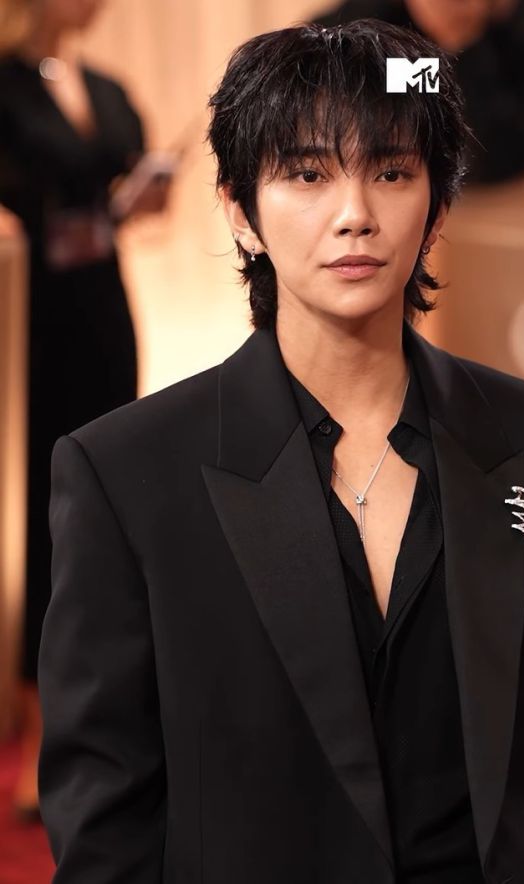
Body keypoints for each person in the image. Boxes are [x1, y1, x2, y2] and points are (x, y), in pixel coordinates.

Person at [39, 19, 524, 884]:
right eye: (308, 174)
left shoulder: (519, 436)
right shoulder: (125, 475)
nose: (355, 215)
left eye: (392, 172)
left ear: (437, 205)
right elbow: (106, 826)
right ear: (241, 211)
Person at [0, 0, 171, 820]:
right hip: (30, 318)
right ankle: (37, 725)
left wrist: (142, 194)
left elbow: (117, 186)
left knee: (104, 505)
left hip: (103, 310)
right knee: (42, 516)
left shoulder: (103, 85)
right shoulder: (5, 84)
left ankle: (102, 714)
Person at [315, 0, 524, 183]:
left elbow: (490, 157)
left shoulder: (515, 31)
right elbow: (315, 59)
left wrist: (461, 42)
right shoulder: (381, 12)